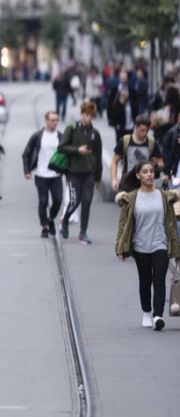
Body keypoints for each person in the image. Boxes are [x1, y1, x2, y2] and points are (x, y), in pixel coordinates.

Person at [114, 161, 180, 332]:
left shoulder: (164, 196)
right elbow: (123, 224)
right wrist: (120, 246)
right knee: (145, 281)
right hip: (140, 245)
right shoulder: (131, 198)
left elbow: (172, 221)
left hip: (161, 244)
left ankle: (158, 316)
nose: (150, 174)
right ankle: (146, 312)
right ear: (138, 175)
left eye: (151, 171)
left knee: (159, 280)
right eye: (145, 172)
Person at [58, 101, 103, 244]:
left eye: (91, 115)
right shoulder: (71, 128)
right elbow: (61, 147)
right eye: (86, 115)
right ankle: (65, 220)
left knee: (87, 202)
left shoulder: (95, 134)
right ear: (81, 114)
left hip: (89, 173)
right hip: (73, 172)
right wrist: (78, 150)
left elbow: (98, 155)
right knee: (74, 201)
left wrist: (98, 177)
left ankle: (83, 232)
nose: (89, 118)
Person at [22, 111, 63, 237]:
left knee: (57, 200)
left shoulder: (61, 136)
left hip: (56, 175)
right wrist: (27, 170)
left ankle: (50, 219)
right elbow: (26, 153)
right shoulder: (38, 136)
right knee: (43, 201)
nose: (54, 123)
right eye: (52, 120)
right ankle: (44, 227)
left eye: (56, 120)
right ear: (46, 121)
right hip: (41, 175)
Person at [110, 114, 162, 192]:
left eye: (147, 131)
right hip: (127, 185)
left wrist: (156, 165)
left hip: (146, 186)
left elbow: (160, 162)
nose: (145, 133)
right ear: (136, 127)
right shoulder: (125, 141)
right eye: (142, 130)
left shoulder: (152, 142)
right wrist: (114, 179)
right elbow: (115, 161)